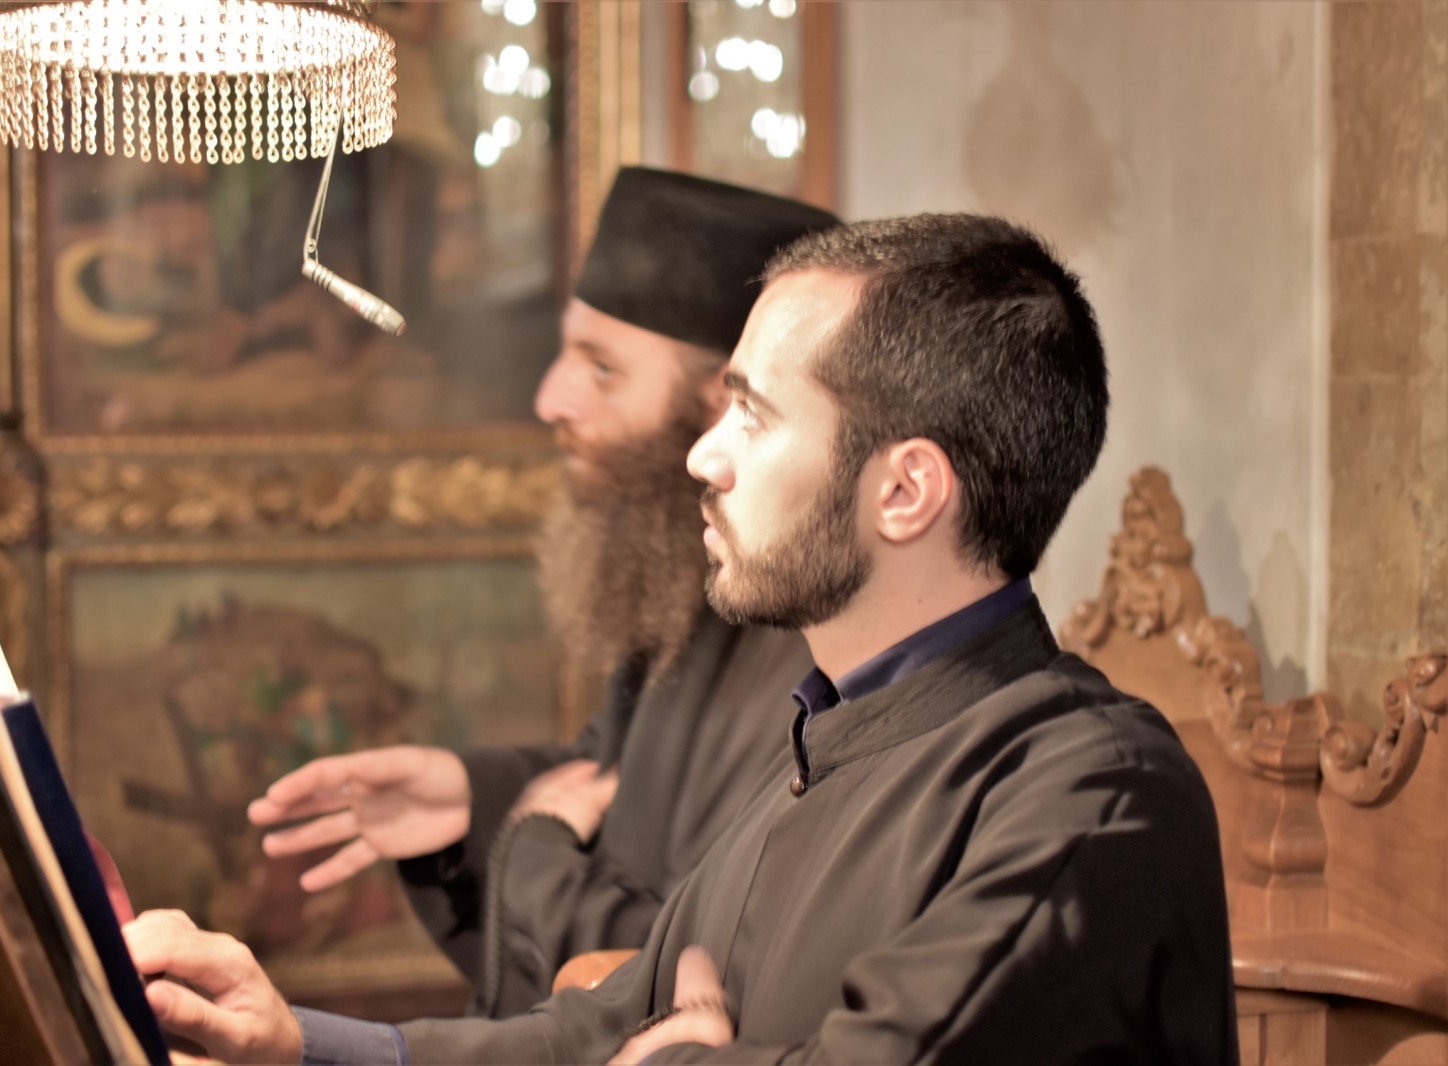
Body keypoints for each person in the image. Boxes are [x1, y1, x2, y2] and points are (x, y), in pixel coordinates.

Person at [126, 213, 1238, 1064]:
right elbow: (600, 1026)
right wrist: (300, 1044)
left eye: (752, 414)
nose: (705, 458)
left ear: (905, 491)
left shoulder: (1093, 791)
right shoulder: (820, 736)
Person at [242, 168, 839, 1017]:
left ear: (725, 405)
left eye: (601, 368)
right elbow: (617, 784)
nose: (550, 397)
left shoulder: (816, 654)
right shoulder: (691, 577)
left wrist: (532, 846)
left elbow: (687, 975)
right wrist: (469, 796)